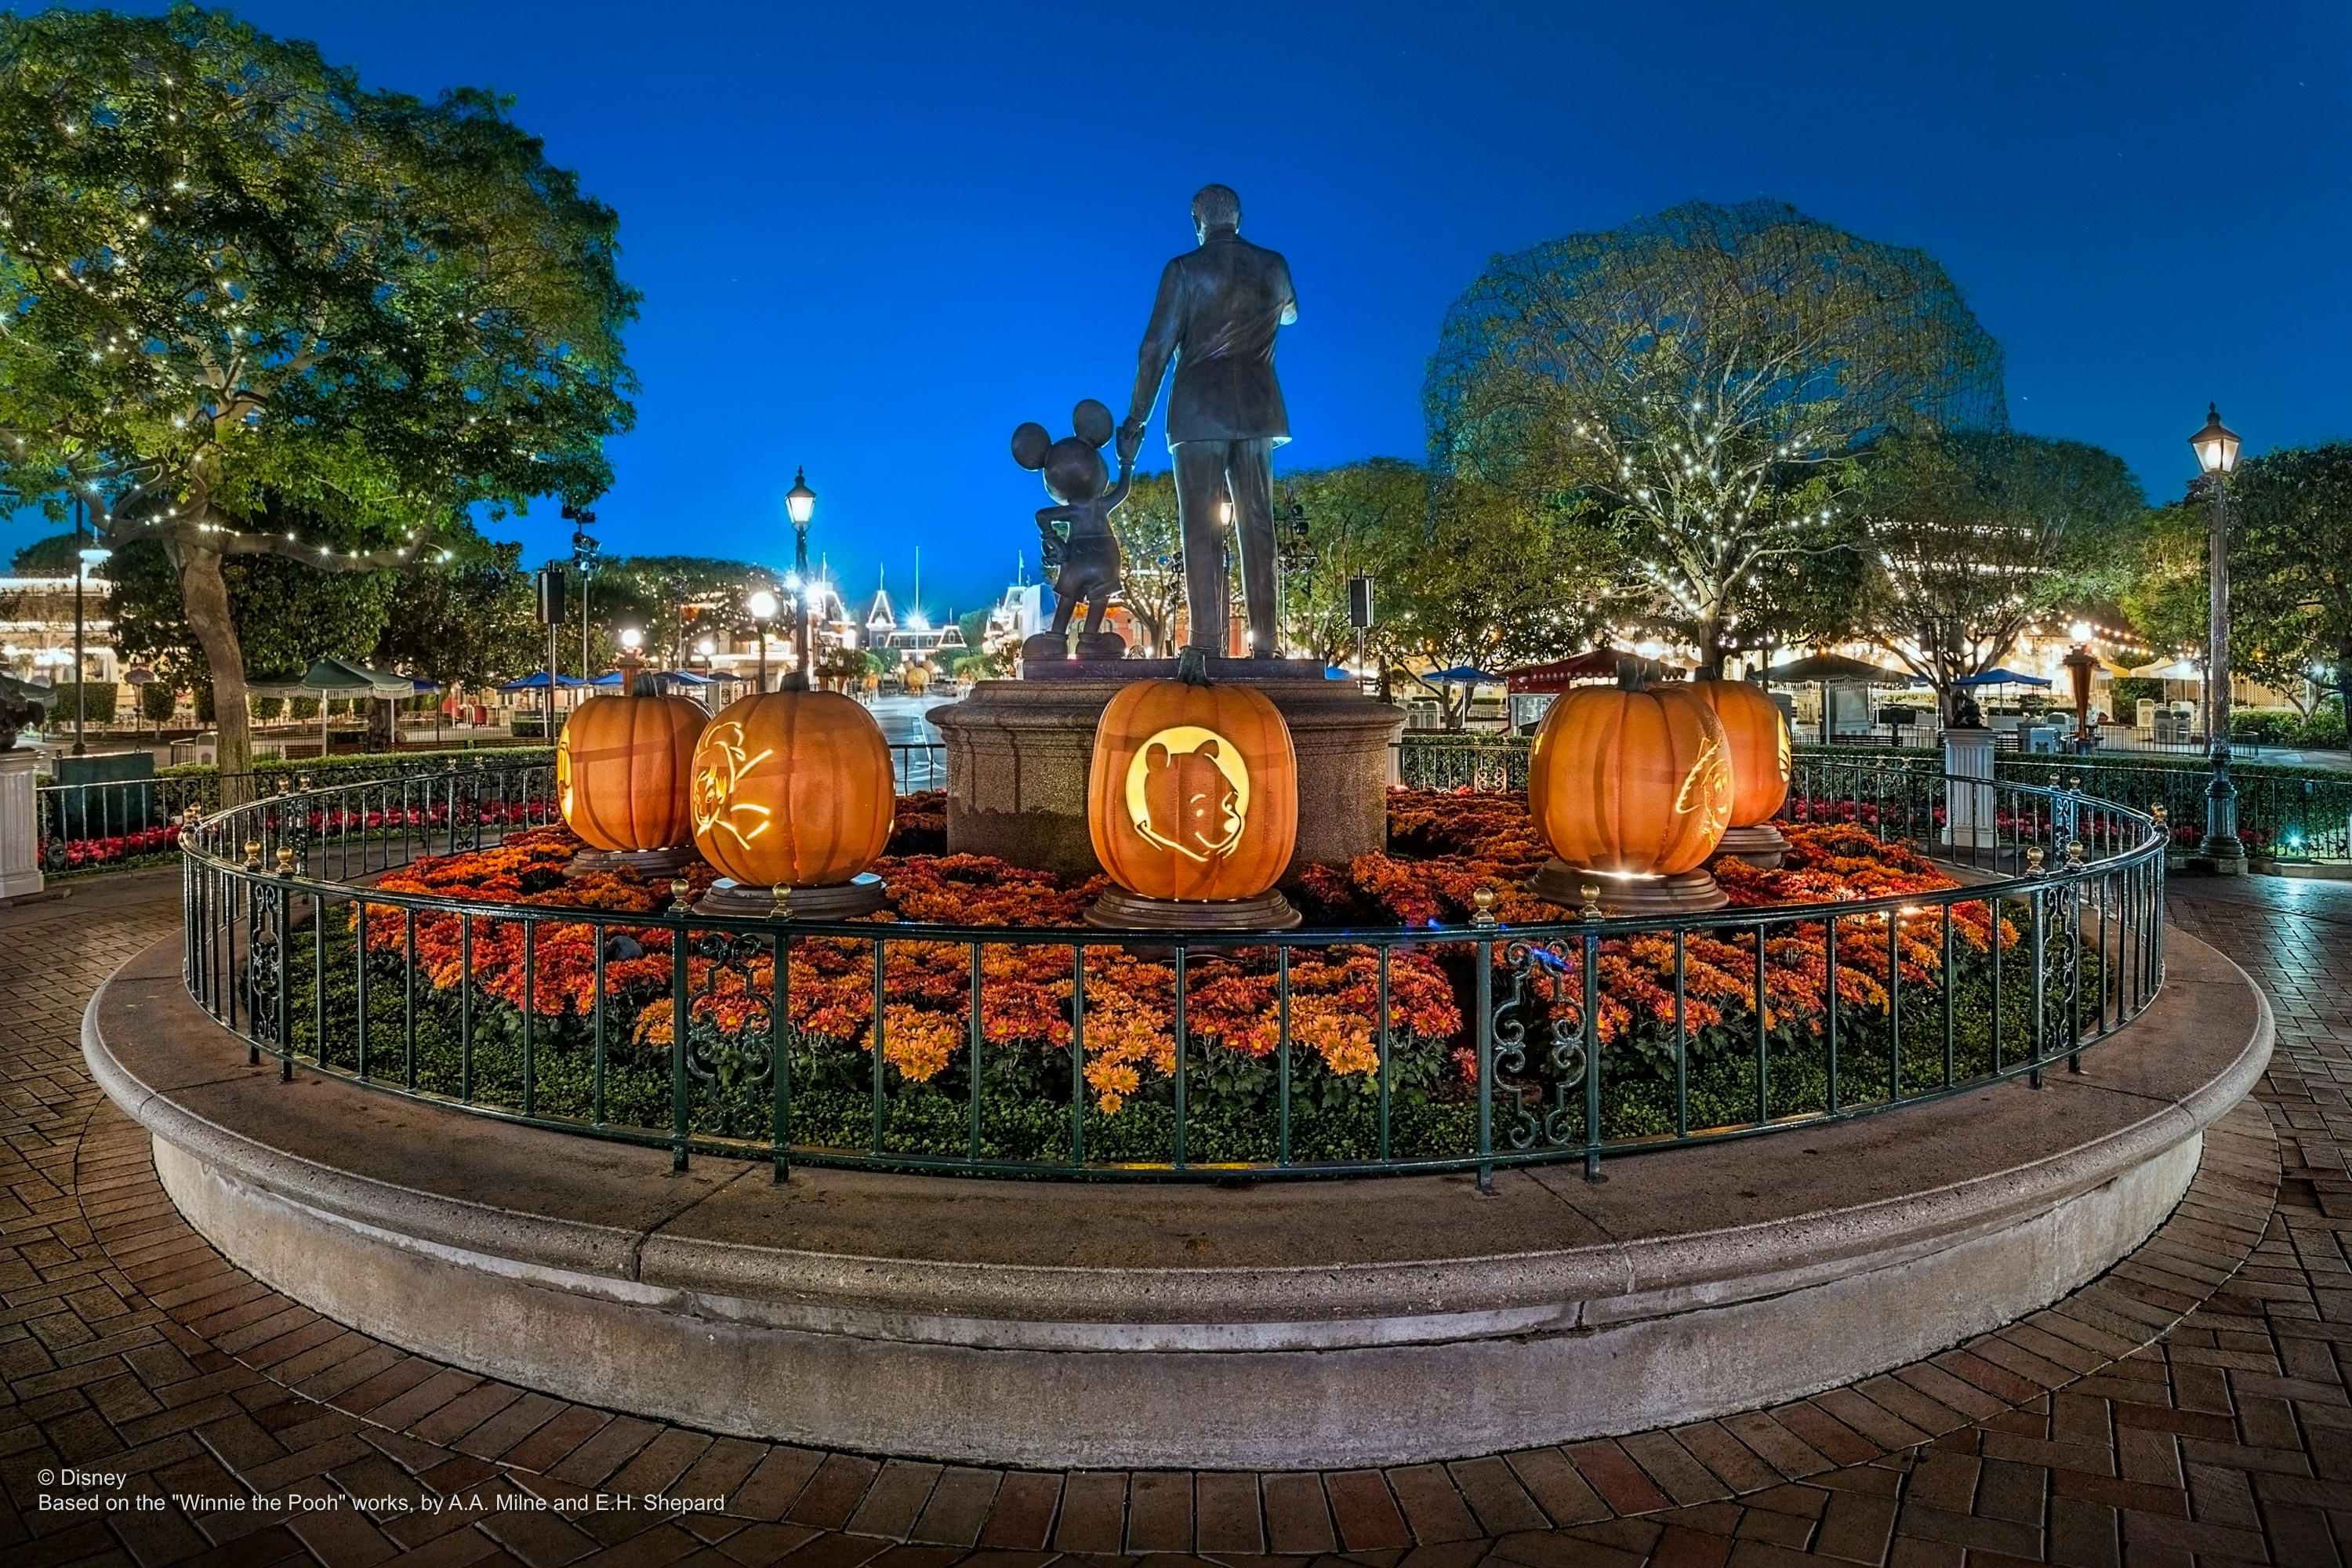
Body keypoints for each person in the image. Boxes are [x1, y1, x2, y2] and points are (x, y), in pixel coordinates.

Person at [1118, 185, 1298, 658]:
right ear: (1238, 218)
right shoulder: (1273, 265)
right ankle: (1266, 643)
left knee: (1201, 529)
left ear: (1198, 221)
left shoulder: (1183, 270)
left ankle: (1206, 645)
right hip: (1259, 407)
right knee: (1259, 526)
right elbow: (1292, 313)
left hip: (1198, 411)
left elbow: (1153, 350)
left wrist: (1135, 421)